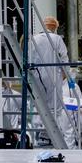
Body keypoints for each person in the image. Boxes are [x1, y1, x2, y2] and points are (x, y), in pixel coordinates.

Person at [28, 16, 75, 144]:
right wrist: (68, 76)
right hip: (53, 76)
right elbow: (64, 58)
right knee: (55, 106)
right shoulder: (56, 38)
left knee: (39, 104)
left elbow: (29, 58)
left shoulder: (34, 39)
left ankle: (39, 135)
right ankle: (52, 134)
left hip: (37, 76)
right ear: (54, 27)